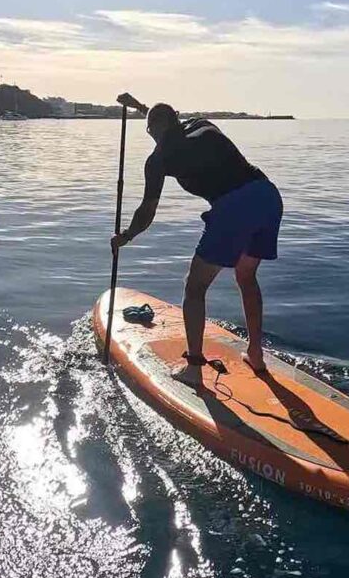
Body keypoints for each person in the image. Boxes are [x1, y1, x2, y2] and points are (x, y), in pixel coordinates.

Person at [111, 103, 283, 389]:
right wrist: (142, 107)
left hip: (235, 206)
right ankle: (256, 354)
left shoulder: (158, 159)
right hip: (267, 196)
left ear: (151, 130)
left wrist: (126, 236)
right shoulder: (200, 123)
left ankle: (193, 368)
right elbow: (166, 123)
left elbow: (147, 211)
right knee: (246, 276)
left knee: (195, 287)